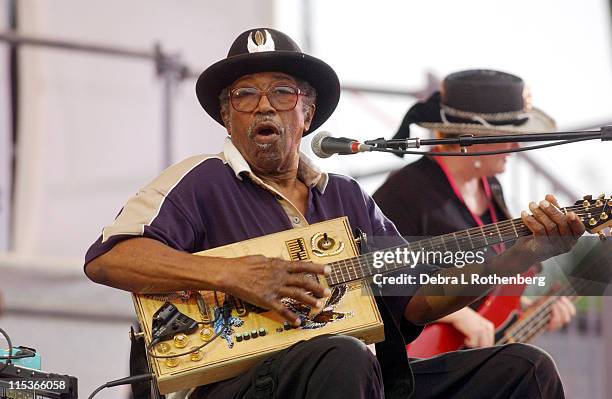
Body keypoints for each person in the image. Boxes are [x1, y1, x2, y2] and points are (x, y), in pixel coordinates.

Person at [84, 30, 584, 399]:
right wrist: (232, 273)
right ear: (226, 115)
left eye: (283, 93)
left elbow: (417, 303)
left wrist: (521, 254)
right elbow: (110, 259)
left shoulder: (346, 197)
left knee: (525, 370)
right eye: (244, 95)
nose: (264, 107)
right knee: (341, 351)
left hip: (355, 378)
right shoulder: (197, 181)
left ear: (308, 112)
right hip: (232, 386)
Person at [374, 69, 576, 350]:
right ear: (470, 137)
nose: (516, 145)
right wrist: (457, 314)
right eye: (507, 135)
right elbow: (376, 279)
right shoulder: (404, 190)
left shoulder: (490, 186)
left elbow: (488, 283)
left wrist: (530, 309)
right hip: (416, 360)